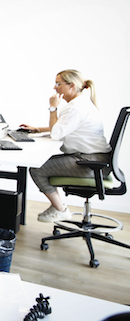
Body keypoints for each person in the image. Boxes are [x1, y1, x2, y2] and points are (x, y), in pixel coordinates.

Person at [20, 69, 111, 222]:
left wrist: (52, 107)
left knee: (37, 168)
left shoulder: (75, 107)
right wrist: (38, 129)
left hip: (90, 163)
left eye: (58, 84)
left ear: (71, 86)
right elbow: (65, 127)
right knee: (43, 162)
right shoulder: (80, 103)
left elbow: (56, 134)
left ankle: (60, 209)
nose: (55, 88)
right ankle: (59, 207)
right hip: (96, 159)